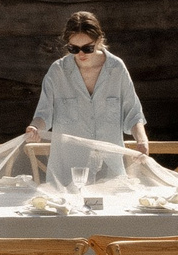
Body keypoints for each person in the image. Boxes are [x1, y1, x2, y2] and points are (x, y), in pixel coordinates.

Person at [24, 11, 147, 151]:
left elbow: (133, 113)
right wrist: (34, 128)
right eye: (74, 49)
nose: (80, 54)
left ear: (99, 41)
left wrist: (142, 140)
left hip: (109, 164)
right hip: (66, 165)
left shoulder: (116, 69)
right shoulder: (57, 72)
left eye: (87, 48)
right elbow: (43, 114)